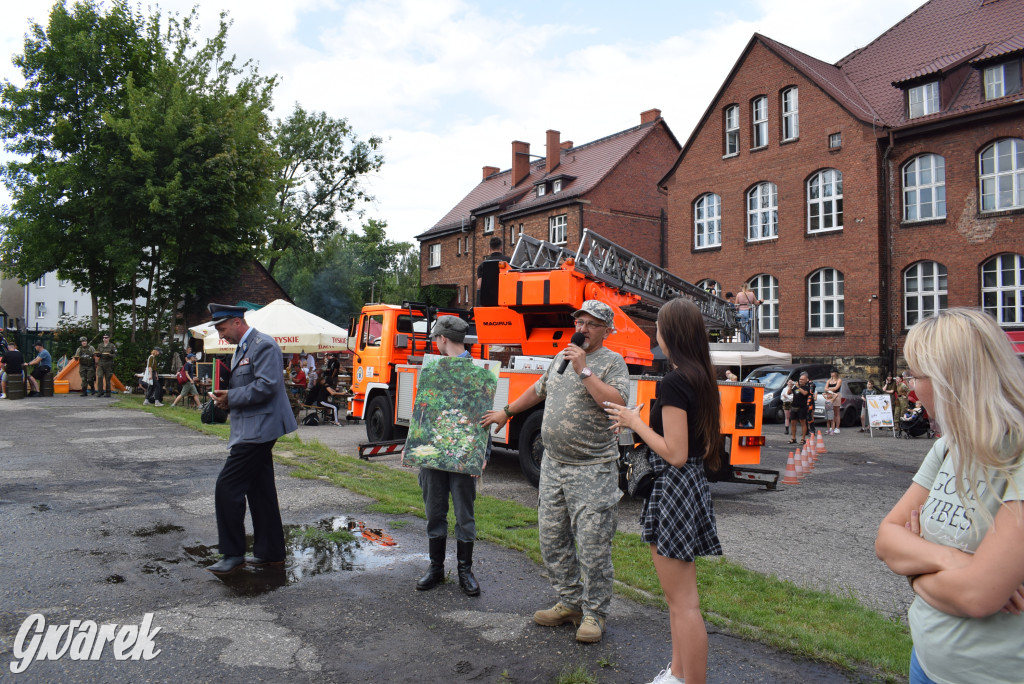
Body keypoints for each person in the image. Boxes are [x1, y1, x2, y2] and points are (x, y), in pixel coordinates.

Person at [874, 308, 1024, 684]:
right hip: (925, 661)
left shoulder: (1017, 458)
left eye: (916, 375)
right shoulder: (948, 449)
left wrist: (915, 565)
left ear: (951, 380)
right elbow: (887, 538)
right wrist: (954, 560)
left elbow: (977, 596)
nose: (911, 388)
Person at [481, 300, 629, 643]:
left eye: (593, 324)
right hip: (554, 466)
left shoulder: (611, 363)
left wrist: (585, 370)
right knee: (551, 538)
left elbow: (617, 402)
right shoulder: (561, 358)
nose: (585, 328)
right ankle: (570, 602)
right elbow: (538, 389)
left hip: (592, 469)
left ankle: (595, 613)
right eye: (581, 321)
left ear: (607, 330)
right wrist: (506, 411)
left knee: (593, 545)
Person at [605, 297, 722, 684]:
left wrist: (634, 422)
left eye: (658, 326)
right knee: (679, 602)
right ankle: (676, 673)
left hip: (674, 487)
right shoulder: (700, 375)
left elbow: (675, 453)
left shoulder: (674, 381)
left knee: (684, 603)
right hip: (688, 487)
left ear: (669, 332)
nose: (655, 332)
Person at [207, 304, 298, 575]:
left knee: (227, 486)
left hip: (260, 429)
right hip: (252, 427)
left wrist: (231, 398)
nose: (222, 336)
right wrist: (227, 397)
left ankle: (233, 554)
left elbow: (268, 385)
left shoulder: (263, 345)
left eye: (223, 329)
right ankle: (271, 553)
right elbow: (251, 384)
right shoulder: (244, 348)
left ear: (237, 322)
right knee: (260, 490)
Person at [415, 316, 486, 596]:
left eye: (435, 339)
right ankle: (435, 568)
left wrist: (482, 453)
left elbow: (484, 417)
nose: (435, 343)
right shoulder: (432, 370)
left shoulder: (479, 373)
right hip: (433, 454)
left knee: (464, 515)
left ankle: (464, 571)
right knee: (434, 512)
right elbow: (424, 411)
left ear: (443, 338)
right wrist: (415, 448)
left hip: (464, 456)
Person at [788, 372, 815, 446]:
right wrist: (790, 386)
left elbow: (805, 393)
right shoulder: (796, 386)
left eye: (803, 379)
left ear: (806, 380)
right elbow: (788, 393)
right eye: (800, 379)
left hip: (802, 407)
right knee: (793, 423)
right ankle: (793, 438)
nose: (801, 381)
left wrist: (799, 387)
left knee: (803, 422)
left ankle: (803, 439)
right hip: (794, 406)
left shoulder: (807, 387)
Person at [95, 333, 117, 397]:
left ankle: (108, 392)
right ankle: (100, 391)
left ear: (109, 338)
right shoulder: (100, 345)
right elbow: (98, 352)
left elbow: (115, 355)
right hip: (101, 363)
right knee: (100, 377)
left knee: (108, 378)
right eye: (104, 337)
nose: (105, 339)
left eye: (106, 337)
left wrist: (109, 355)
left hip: (108, 364)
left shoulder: (112, 346)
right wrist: (97, 354)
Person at [823, 370, 843, 435]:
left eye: (833, 372)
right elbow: (825, 388)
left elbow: (836, 388)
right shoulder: (829, 380)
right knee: (831, 412)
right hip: (830, 396)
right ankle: (832, 427)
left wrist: (829, 389)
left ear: (836, 373)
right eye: (831, 372)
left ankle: (837, 427)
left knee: (836, 412)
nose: (831, 373)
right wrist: (829, 389)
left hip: (836, 395)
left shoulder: (839, 380)